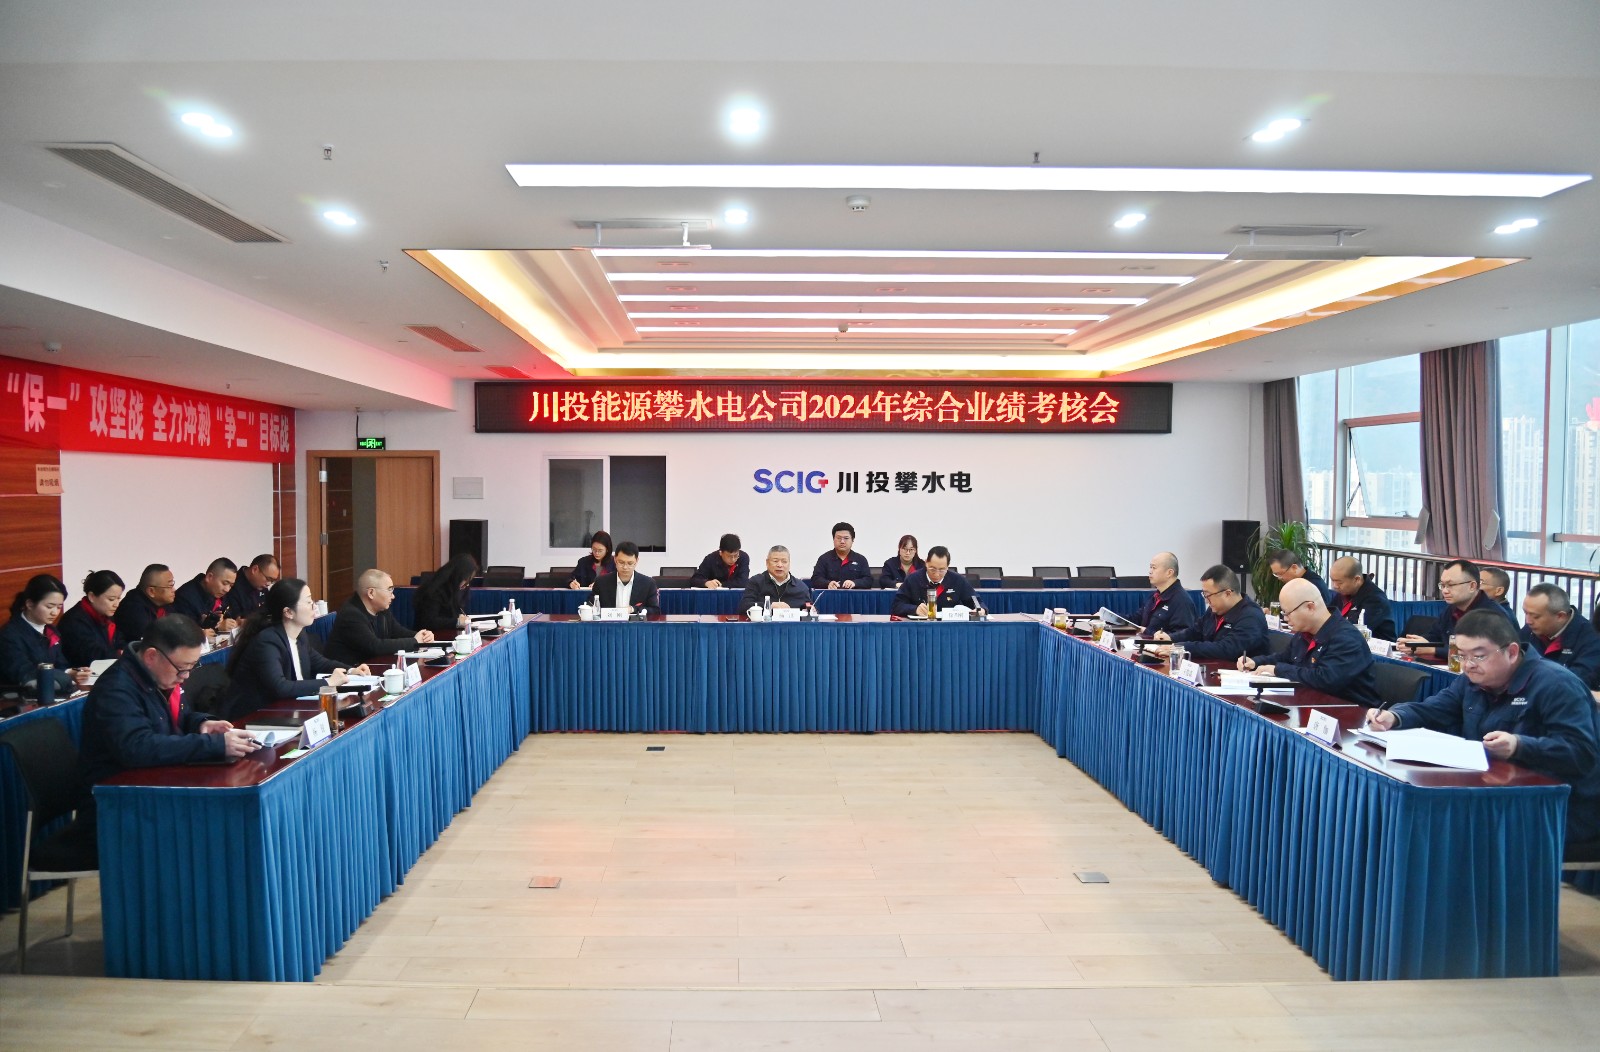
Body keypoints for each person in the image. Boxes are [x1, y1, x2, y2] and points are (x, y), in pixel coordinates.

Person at [1366, 610, 1600, 845]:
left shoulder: (1556, 684)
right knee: (1414, 823)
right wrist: (1394, 716)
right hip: (1494, 793)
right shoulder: (1472, 681)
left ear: (1512, 652)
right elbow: (1434, 708)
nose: (1468, 665)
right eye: (1462, 655)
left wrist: (1518, 746)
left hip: (1555, 807)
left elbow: (1582, 752)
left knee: (1442, 832)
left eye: (1478, 656)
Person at [78, 613, 260, 796]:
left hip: (160, 780)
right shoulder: (115, 689)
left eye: (191, 667)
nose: (186, 676)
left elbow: (179, 718)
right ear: (151, 656)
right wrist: (213, 745)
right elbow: (138, 747)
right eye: (182, 668)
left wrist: (201, 723)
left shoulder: (159, 676)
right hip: (117, 795)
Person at [220, 579, 367, 721]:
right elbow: (280, 687)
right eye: (308, 602)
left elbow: (320, 662)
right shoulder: (267, 641)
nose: (314, 606)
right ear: (288, 612)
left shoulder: (300, 635)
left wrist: (351, 670)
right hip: (255, 717)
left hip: (288, 710)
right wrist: (328, 682)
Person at [1238, 578, 1380, 707]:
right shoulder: (1305, 632)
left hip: (1350, 713)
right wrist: (1256, 662)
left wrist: (1277, 670)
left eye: (1288, 613)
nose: (1285, 619)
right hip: (1312, 705)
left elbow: (1325, 680)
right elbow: (1285, 657)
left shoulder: (1346, 638)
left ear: (1310, 607)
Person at [1397, 558, 1516, 656]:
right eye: (1442, 585)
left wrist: (1433, 650)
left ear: (1472, 586)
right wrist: (1416, 643)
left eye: (1451, 585)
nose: (1445, 591)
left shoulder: (1492, 615)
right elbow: (1436, 635)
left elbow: (1477, 652)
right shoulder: (1452, 608)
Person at [0, 574, 90, 697]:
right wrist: (66, 675)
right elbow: (24, 674)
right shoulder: (10, 635)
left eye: (59, 607)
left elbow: (61, 664)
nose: (55, 612)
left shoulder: (51, 631)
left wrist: (73, 672)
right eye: (49, 606)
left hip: (53, 692)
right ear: (30, 604)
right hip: (20, 697)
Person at [1154, 564, 1268, 661]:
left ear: (1228, 593)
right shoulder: (1216, 609)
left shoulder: (1251, 616)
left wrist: (1181, 648)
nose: (1206, 600)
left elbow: (1226, 649)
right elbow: (1195, 631)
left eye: (1208, 595)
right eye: (1204, 594)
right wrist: (1170, 638)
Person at [324, 569, 437, 665]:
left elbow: (398, 632)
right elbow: (375, 646)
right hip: (349, 674)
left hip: (372, 668)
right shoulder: (351, 615)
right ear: (371, 593)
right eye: (389, 590)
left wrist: (423, 636)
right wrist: (415, 641)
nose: (393, 596)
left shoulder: (381, 609)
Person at [1521, 583, 1600, 692]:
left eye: (1536, 616)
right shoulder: (1530, 630)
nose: (1528, 621)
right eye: (1525, 613)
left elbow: (1577, 680)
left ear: (1560, 616)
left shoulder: (1591, 639)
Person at [57, 569, 126, 667]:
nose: (116, 604)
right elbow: (91, 657)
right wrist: (119, 654)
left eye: (119, 598)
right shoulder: (74, 621)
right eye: (111, 599)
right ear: (92, 597)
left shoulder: (106, 615)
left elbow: (119, 641)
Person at [891, 545, 977, 617]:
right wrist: (915, 609)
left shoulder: (957, 580)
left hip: (949, 627)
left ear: (947, 567)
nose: (936, 574)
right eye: (932, 569)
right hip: (921, 626)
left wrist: (980, 609)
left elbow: (975, 601)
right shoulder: (913, 579)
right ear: (926, 563)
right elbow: (897, 606)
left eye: (942, 570)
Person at [1327, 556, 1398, 641]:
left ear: (1357, 579)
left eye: (1339, 582)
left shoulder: (1375, 600)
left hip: (1374, 646)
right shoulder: (1344, 592)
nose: (1335, 586)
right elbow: (1328, 617)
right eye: (1332, 580)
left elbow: (1353, 631)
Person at [172, 557, 241, 634]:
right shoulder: (186, 597)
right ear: (209, 577)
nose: (227, 589)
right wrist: (217, 627)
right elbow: (186, 632)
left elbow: (228, 613)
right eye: (224, 583)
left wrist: (230, 621)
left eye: (231, 585)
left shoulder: (217, 592)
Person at [590, 541, 660, 616]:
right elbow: (590, 605)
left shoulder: (648, 584)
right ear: (615, 560)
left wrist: (633, 609)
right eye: (621, 562)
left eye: (630, 563)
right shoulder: (601, 582)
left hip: (635, 623)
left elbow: (655, 611)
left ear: (636, 561)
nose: (625, 567)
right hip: (609, 623)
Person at [413, 554, 478, 636]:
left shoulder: (453, 590)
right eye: (466, 580)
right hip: (429, 638)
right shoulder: (434, 590)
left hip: (446, 636)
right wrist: (457, 622)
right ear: (457, 575)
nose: (467, 585)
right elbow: (430, 621)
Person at [1135, 551, 1197, 637]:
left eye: (1154, 568)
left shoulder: (1182, 601)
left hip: (1160, 645)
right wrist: (1117, 619)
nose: (1150, 571)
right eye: (1150, 567)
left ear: (1169, 573)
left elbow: (1182, 636)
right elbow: (1138, 618)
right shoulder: (1155, 596)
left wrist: (1147, 632)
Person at [740, 545, 813, 617]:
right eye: (775, 561)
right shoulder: (756, 582)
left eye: (784, 561)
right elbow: (744, 607)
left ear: (789, 563)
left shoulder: (801, 587)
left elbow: (809, 611)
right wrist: (770, 606)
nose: (780, 565)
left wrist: (811, 610)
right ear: (767, 563)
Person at [113, 563, 176, 644]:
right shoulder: (133, 610)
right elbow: (151, 642)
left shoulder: (165, 603)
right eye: (170, 586)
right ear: (151, 591)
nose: (174, 590)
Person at [810, 521, 871, 590]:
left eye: (846, 538)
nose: (842, 541)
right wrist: (828, 583)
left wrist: (855, 583)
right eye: (839, 538)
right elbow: (815, 579)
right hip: (831, 595)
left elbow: (868, 580)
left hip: (853, 596)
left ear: (853, 540)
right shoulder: (824, 559)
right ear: (833, 539)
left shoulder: (860, 559)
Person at [1268, 550, 1333, 605]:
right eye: (1276, 574)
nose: (1279, 578)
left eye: (1280, 574)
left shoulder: (1313, 585)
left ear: (1294, 568)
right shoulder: (1294, 582)